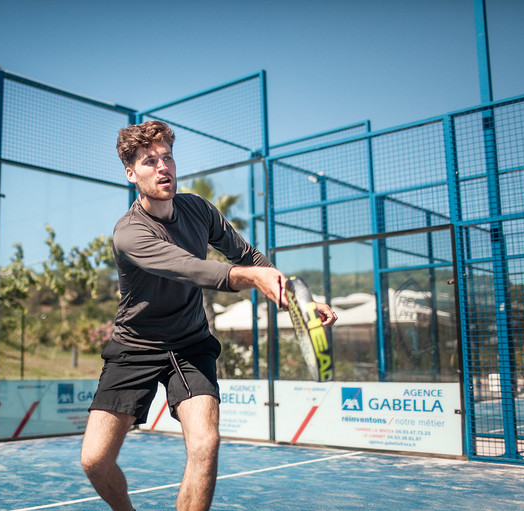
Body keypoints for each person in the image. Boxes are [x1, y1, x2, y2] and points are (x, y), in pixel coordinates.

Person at [80, 120, 337, 511]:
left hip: (190, 343)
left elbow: (245, 255)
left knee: (205, 442)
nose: (163, 167)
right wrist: (250, 277)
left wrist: (299, 301)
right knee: (95, 461)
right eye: (150, 161)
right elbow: (190, 268)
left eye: (167, 157)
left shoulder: (197, 208)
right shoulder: (129, 233)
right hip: (134, 347)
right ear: (131, 173)